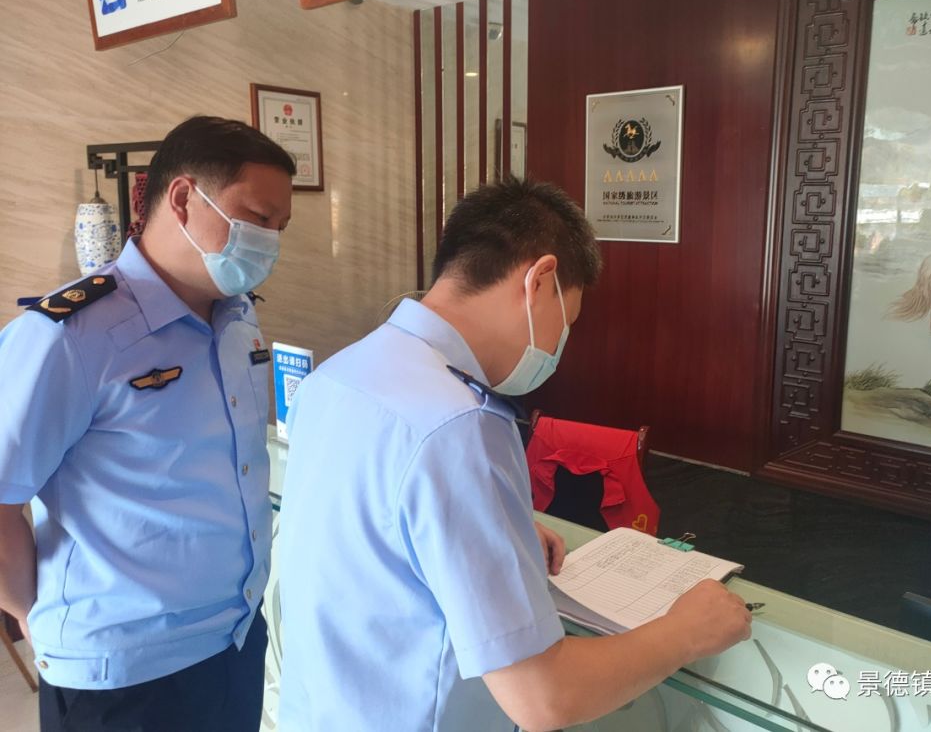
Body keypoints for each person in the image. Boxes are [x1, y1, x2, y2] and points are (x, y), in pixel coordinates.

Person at [276, 177, 751, 732]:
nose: (557, 346)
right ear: (539, 280)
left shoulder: (343, 372)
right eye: (567, 323)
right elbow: (545, 696)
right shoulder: (460, 423)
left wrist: (493, 522)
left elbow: (368, 525)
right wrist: (686, 631)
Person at [0, 115, 295, 732]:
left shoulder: (237, 317)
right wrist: (34, 614)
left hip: (234, 640)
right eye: (257, 218)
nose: (269, 241)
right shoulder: (70, 336)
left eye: (279, 227)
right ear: (183, 198)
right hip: (122, 672)